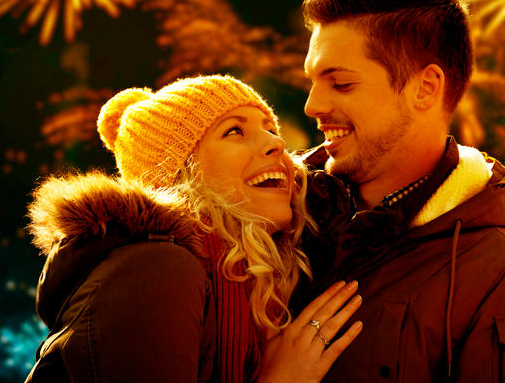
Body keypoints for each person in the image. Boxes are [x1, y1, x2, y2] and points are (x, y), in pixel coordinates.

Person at [296, 0, 505, 381]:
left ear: (425, 88)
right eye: (313, 81)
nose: (312, 106)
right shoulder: (271, 225)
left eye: (341, 84)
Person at [25, 75, 363, 383]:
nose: (277, 145)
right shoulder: (156, 268)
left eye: (271, 130)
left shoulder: (255, 288)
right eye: (234, 131)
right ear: (179, 174)